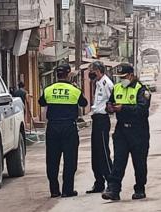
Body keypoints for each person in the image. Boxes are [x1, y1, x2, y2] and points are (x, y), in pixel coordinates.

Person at [102, 63, 151, 201]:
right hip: (121, 130)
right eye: (120, 77)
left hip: (138, 130)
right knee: (118, 161)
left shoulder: (142, 90)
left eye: (124, 77)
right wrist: (110, 108)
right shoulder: (117, 88)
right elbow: (110, 102)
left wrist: (123, 108)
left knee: (139, 163)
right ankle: (113, 189)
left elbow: (142, 110)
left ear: (131, 75)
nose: (121, 80)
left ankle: (140, 189)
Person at [39, 63, 88, 198]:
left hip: (53, 128)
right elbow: (84, 103)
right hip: (69, 128)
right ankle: (68, 190)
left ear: (56, 74)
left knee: (52, 160)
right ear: (68, 74)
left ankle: (54, 190)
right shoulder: (74, 90)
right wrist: (77, 90)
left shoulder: (49, 89)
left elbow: (41, 102)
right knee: (70, 159)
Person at [86, 61, 114, 194]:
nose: (91, 73)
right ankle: (99, 183)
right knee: (95, 154)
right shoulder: (97, 83)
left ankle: (112, 182)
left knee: (103, 152)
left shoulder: (106, 83)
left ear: (99, 70)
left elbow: (112, 100)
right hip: (96, 120)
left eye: (92, 70)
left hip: (103, 120)